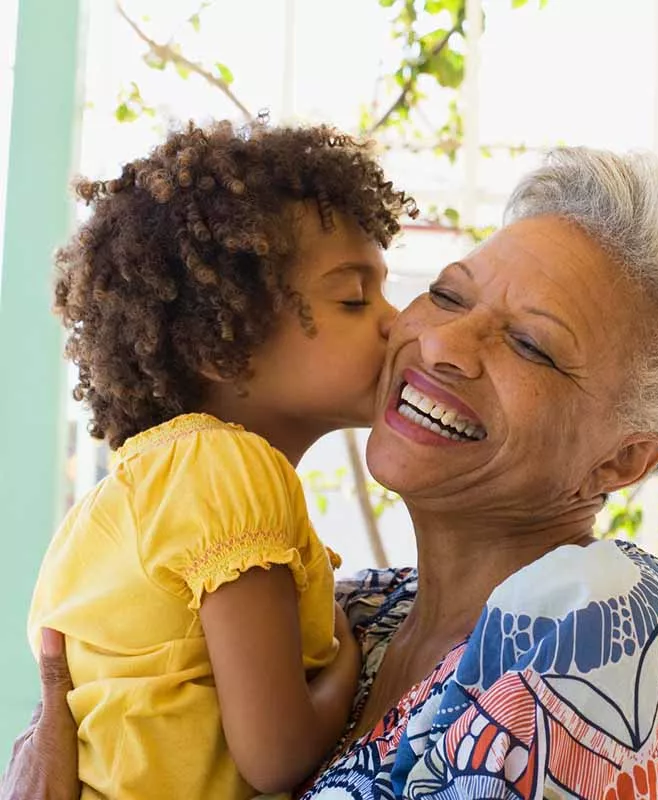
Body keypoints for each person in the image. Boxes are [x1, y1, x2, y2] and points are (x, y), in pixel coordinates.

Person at [3, 146, 658, 800]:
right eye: (446, 294)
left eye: (531, 345)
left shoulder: (597, 630)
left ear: (622, 459)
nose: (441, 345)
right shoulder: (358, 612)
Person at [24, 119, 417, 799]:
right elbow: (275, 757)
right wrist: (353, 667)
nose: (395, 319)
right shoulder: (231, 471)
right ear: (222, 344)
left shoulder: (133, 493)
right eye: (353, 297)